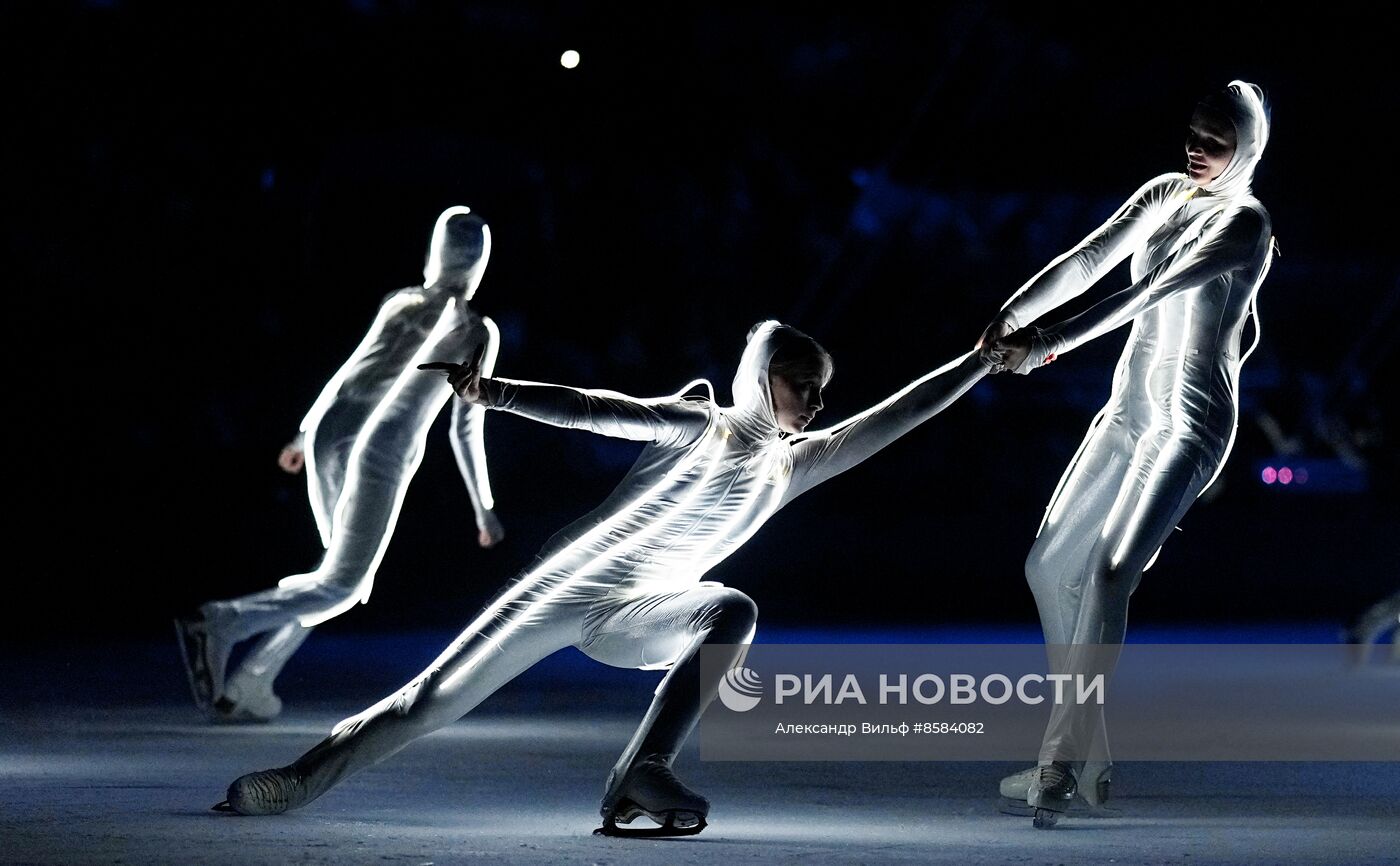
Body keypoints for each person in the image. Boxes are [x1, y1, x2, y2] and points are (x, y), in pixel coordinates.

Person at [213, 320, 992, 836]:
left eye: (823, 389)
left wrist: (980, 359)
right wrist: (496, 393)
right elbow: (597, 409)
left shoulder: (798, 462)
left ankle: (641, 772)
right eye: (801, 382)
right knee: (426, 703)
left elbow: (900, 413)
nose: (817, 402)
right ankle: (297, 779)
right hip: (559, 591)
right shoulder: (705, 424)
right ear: (760, 377)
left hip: (637, 613)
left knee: (731, 609)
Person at [977, 81, 1276, 828]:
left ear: (1248, 147)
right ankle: (1090, 754)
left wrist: (1045, 344)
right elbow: (1089, 260)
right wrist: (1012, 314)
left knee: (1110, 573)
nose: (1197, 148)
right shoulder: (1165, 193)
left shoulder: (1245, 223)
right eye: (1194, 132)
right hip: (1129, 413)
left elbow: (1149, 294)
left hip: (1191, 424)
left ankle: (1058, 765)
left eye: (1217, 139)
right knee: (1048, 565)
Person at [176, 206, 505, 723]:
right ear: (479, 265)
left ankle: (251, 683)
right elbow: (465, 426)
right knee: (344, 584)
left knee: (335, 579)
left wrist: (306, 432)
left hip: (334, 429)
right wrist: (484, 509)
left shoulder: (400, 302)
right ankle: (222, 622)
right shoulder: (477, 329)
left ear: (433, 255)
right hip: (380, 445)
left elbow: (352, 366)